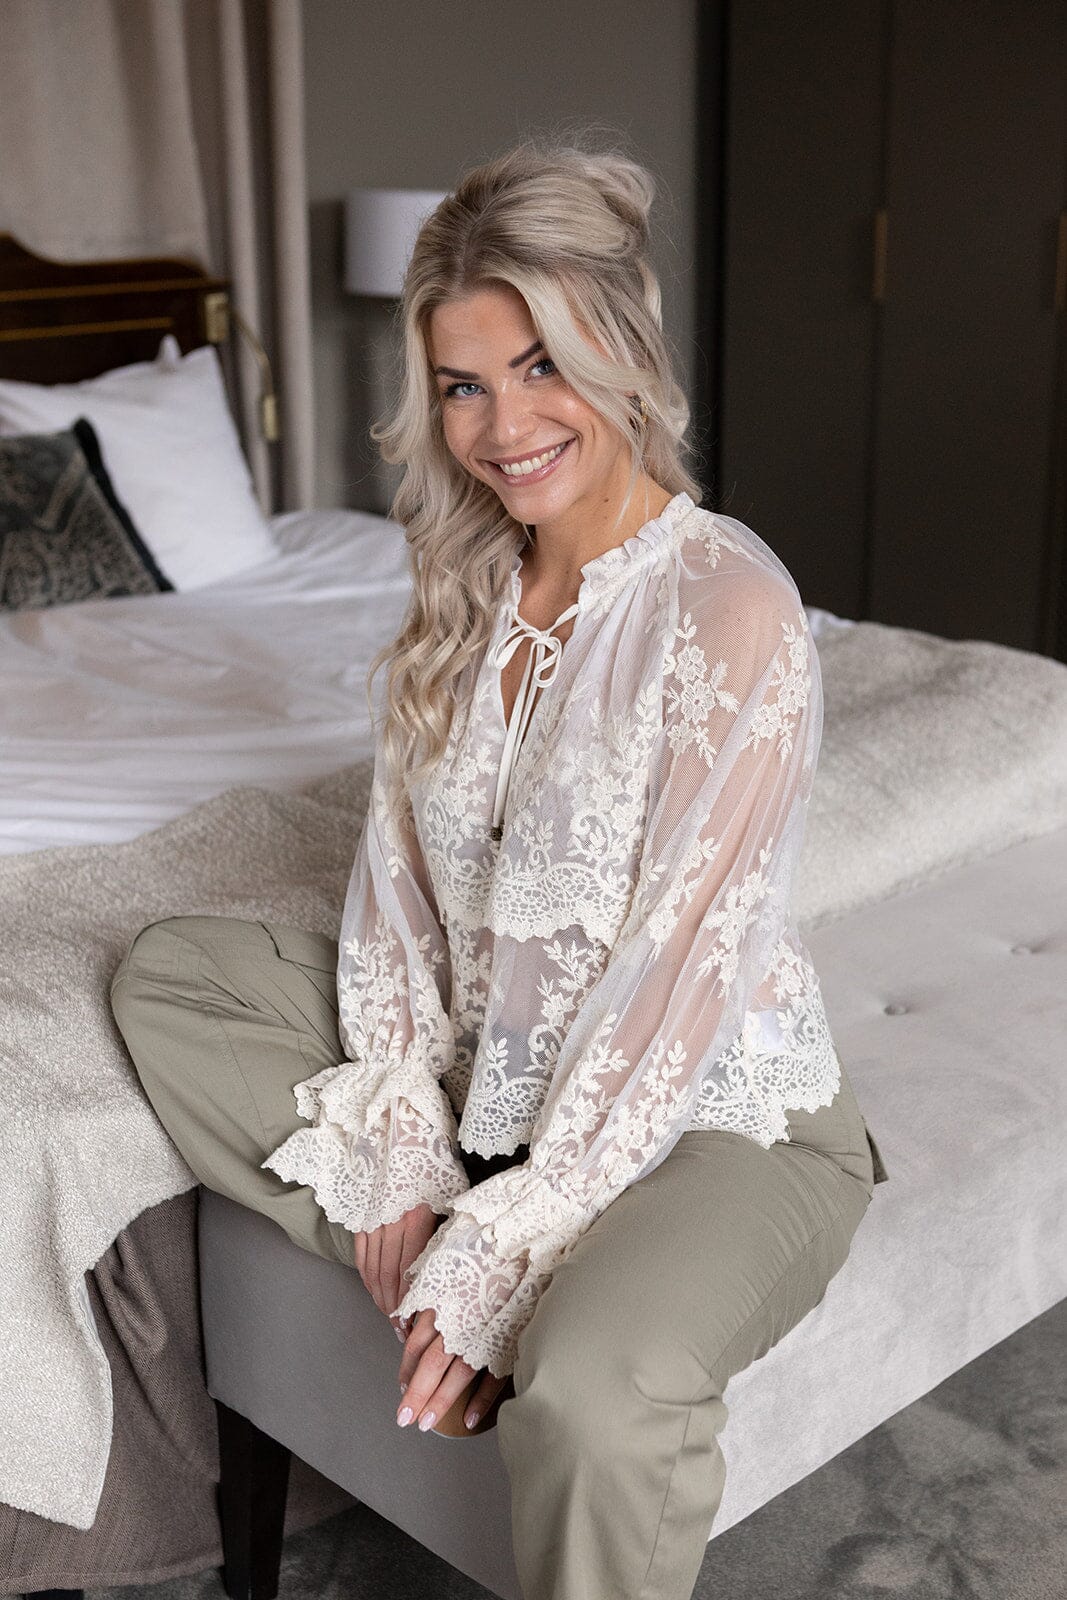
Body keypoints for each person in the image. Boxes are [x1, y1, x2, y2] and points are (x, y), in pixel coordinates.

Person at [110, 134, 888, 1600]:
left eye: (540, 367)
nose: (504, 426)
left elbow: (673, 978)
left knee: (591, 1394)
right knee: (169, 979)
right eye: (462, 384)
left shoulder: (730, 605)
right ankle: (435, 1224)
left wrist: (509, 1242)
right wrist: (414, 1151)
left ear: (621, 350)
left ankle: (506, 1270)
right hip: (492, 1085)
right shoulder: (466, 587)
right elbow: (394, 909)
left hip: (710, 1104)